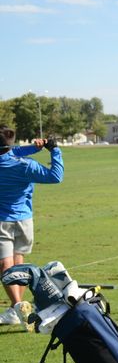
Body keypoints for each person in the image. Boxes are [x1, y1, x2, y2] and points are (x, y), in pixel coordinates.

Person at [0, 126, 63, 329]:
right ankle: (16, 308)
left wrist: (32, 148)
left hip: (2, 221)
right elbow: (56, 176)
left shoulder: (17, 157)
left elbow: (11, 151)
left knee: (7, 267)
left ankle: (16, 307)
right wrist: (54, 150)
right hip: (25, 221)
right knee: (16, 266)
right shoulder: (26, 166)